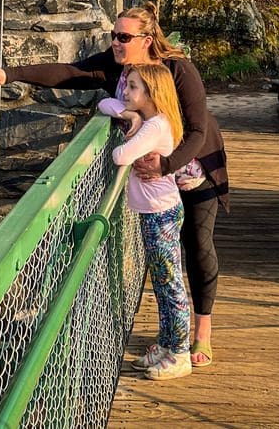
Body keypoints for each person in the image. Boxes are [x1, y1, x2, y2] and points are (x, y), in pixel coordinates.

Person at [0, 2, 226, 368]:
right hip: (155, 180)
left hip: (194, 170)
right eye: (113, 35)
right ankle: (171, 338)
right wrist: (9, 74)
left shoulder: (178, 69)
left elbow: (199, 130)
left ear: (146, 39)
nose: (115, 43)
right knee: (167, 264)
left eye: (124, 37)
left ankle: (201, 333)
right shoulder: (119, 68)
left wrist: (166, 165)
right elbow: (69, 73)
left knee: (198, 245)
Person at [101, 62, 191, 380]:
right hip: (154, 213)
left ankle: (180, 353)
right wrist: (131, 114)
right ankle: (167, 345)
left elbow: (120, 156)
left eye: (134, 87)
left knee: (170, 284)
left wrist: (134, 124)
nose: (126, 91)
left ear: (152, 93)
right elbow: (105, 103)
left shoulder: (156, 127)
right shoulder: (149, 121)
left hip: (162, 213)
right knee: (162, 283)